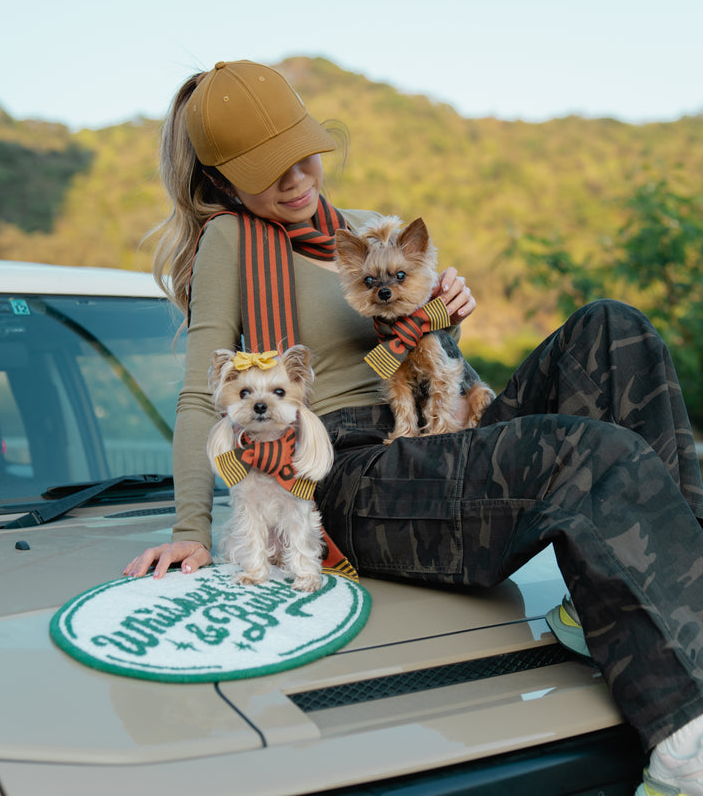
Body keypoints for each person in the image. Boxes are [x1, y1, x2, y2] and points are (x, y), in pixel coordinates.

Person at [124, 59, 703, 796]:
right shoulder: (232, 242)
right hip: (349, 472)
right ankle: (684, 736)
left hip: (425, 435)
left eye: (303, 151)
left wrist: (441, 312)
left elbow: (428, 366)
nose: (300, 176)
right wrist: (189, 526)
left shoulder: (363, 234)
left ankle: (655, 615)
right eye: (271, 170)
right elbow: (202, 392)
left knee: (614, 330)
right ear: (227, 178)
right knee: (585, 456)